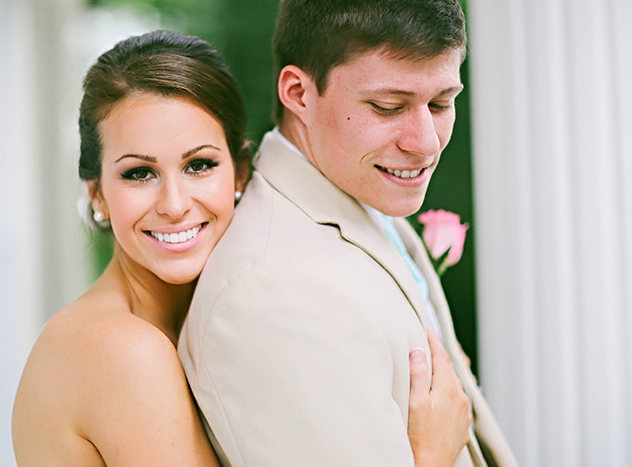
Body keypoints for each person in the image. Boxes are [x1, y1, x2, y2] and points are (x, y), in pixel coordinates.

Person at [12, 29, 471, 466]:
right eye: (139, 173)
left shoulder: (221, 308)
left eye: (199, 165)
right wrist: (430, 456)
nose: (174, 205)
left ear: (239, 171)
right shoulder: (121, 350)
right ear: (96, 193)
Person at [178, 0, 519, 466]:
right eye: (388, 106)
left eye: (441, 102)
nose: (425, 141)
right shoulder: (269, 293)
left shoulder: (360, 189)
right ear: (298, 93)